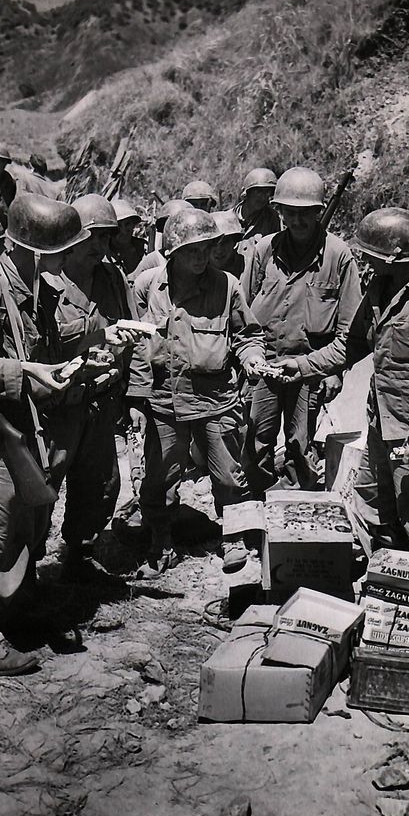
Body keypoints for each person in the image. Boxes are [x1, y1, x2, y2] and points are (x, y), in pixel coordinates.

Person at [0, 193, 119, 675]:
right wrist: (26, 372)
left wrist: (75, 369)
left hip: (27, 428)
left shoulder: (34, 287)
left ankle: (17, 606)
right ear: (37, 250)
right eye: (62, 251)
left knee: (28, 524)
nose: (69, 260)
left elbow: (39, 355)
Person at [277, 207, 409, 558]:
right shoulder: (380, 287)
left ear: (394, 255)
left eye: (368, 253)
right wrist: (303, 366)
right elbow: (350, 345)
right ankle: (382, 587)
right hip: (383, 426)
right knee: (375, 511)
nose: (362, 258)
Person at [130, 207, 268, 576]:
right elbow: (133, 343)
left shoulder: (227, 286)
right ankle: (161, 538)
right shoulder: (147, 286)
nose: (202, 257)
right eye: (193, 251)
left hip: (215, 399)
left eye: (207, 248)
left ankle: (234, 537)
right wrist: (135, 399)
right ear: (172, 252)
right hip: (164, 400)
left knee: (229, 474)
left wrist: (252, 357)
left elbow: (246, 335)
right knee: (161, 474)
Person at [241, 166, 362, 493]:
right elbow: (242, 313)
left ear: (318, 212)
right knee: (255, 440)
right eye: (289, 213)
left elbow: (351, 329)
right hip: (265, 365)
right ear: (279, 211)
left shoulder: (339, 257)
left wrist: (335, 372)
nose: (296, 221)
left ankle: (296, 508)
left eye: (305, 214)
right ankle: (259, 503)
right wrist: (248, 356)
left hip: (309, 369)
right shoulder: (264, 250)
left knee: (301, 445)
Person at [45, 194, 147, 581]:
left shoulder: (112, 278)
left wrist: (135, 393)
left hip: (102, 405)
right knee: (41, 488)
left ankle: (78, 555)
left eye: (107, 239)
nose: (102, 248)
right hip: (58, 407)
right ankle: (24, 573)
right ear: (72, 239)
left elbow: (136, 335)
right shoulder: (46, 282)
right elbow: (41, 345)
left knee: (102, 486)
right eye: (94, 239)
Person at [130, 199, 193, 280]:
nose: (175, 234)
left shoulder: (200, 257)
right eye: (170, 228)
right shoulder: (154, 259)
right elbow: (134, 285)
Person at [235, 167, 279, 264]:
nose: (263, 197)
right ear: (246, 193)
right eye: (258, 191)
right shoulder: (229, 219)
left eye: (268, 192)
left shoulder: (272, 218)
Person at [110, 198, 146, 276]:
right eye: (118, 225)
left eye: (127, 224)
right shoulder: (103, 254)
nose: (124, 231)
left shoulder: (143, 248)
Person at [209, 209, 245, 278]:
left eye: (225, 242)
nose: (219, 250)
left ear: (234, 242)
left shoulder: (246, 267)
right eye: (214, 243)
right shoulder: (196, 272)